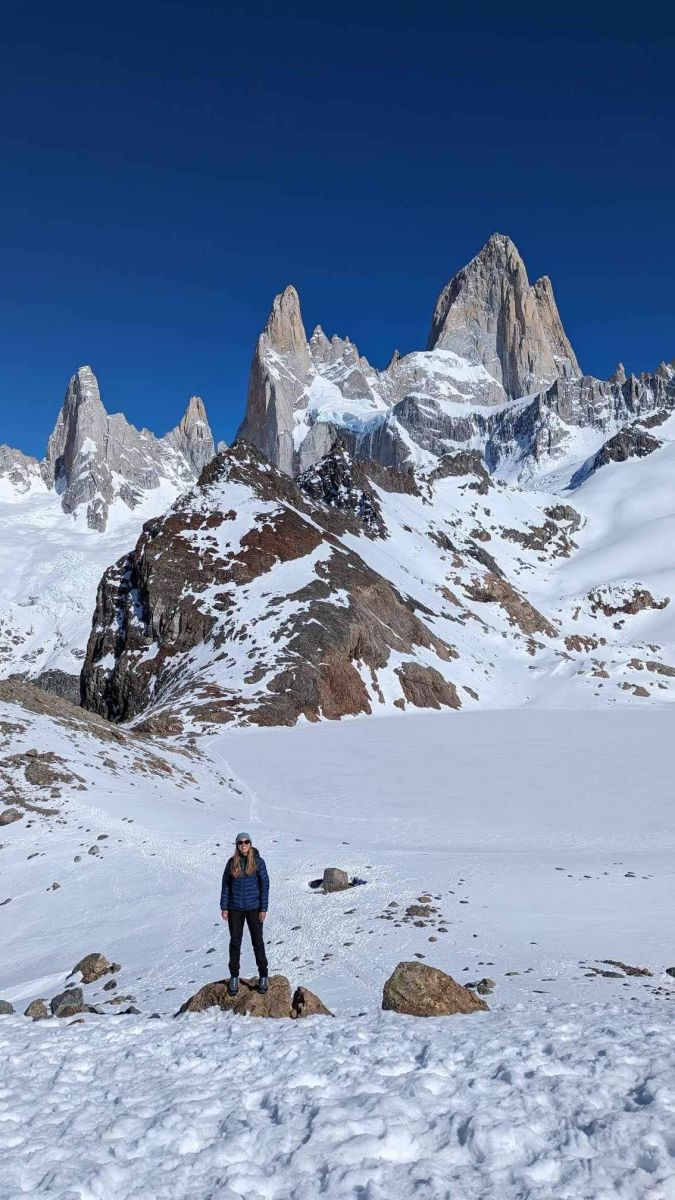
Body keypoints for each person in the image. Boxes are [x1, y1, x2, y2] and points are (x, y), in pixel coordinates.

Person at [220, 832, 269, 995]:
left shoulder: (258, 862)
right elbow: (226, 885)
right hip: (235, 909)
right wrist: (224, 907)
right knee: (235, 943)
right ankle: (234, 976)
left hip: (254, 908)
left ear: (250, 843)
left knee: (258, 942)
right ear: (237, 845)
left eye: (246, 842)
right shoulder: (231, 862)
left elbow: (265, 886)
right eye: (240, 842)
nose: (244, 845)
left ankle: (263, 975)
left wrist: (263, 909)